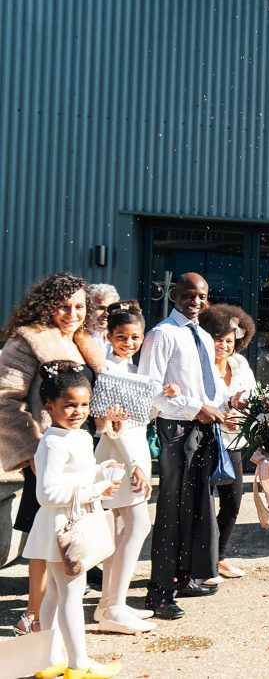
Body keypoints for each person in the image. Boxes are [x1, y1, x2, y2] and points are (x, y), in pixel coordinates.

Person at [0, 273, 106, 637]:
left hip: (80, 446)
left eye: (79, 306)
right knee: (46, 535)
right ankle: (34, 615)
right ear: (46, 305)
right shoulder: (27, 341)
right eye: (63, 306)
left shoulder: (83, 342)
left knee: (73, 528)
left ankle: (58, 613)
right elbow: (5, 398)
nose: (72, 313)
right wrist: (30, 448)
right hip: (45, 450)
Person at [23, 361, 123, 679]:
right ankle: (78, 664)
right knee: (71, 592)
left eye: (83, 405)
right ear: (50, 407)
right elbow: (48, 494)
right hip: (61, 529)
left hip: (70, 524)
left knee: (56, 592)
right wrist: (97, 488)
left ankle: (49, 659)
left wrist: (100, 469)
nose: (78, 411)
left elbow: (77, 473)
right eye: (69, 405)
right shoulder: (53, 443)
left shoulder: (77, 436)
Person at [137, 272, 227, 620]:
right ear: (175, 294)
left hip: (203, 429)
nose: (196, 301)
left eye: (202, 295)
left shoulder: (203, 335)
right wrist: (194, 408)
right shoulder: (161, 335)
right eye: (189, 294)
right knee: (172, 510)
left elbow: (210, 386)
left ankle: (184, 576)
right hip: (176, 429)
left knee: (196, 507)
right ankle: (158, 593)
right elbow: (150, 391)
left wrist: (226, 405)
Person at [92, 303, 159, 634]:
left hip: (131, 458)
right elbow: (111, 427)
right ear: (109, 335)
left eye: (134, 337)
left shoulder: (133, 370)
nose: (129, 342)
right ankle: (113, 606)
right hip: (117, 460)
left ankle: (108, 604)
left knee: (122, 531)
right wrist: (135, 467)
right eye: (122, 337)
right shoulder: (108, 371)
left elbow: (139, 420)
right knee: (135, 527)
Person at [198, 304, 256, 581]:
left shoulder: (240, 364)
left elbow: (252, 398)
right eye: (218, 339)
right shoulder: (200, 365)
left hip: (233, 442)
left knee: (232, 503)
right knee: (204, 506)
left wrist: (241, 411)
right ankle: (203, 563)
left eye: (229, 340)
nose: (224, 345)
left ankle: (219, 557)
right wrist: (222, 414)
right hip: (205, 442)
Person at [86, 283, 120, 349]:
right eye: (101, 308)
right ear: (88, 308)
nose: (106, 313)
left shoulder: (118, 338)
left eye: (111, 309)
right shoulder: (78, 337)